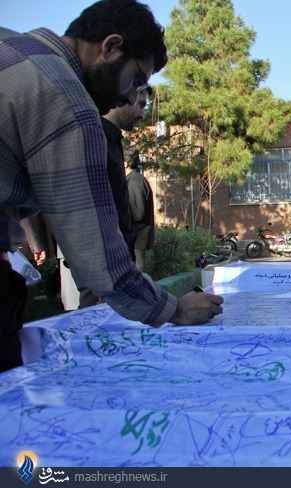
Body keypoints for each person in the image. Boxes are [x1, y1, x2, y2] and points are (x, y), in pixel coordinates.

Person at [0, 0, 223, 372]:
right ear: (111, 46)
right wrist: (174, 309)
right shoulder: (67, 103)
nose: (129, 97)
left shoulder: (12, 46)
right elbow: (98, 257)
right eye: (136, 80)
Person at [72, 85, 152, 309]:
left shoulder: (112, 140)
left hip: (117, 263)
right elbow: (87, 211)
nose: (142, 114)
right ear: (127, 93)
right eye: (140, 105)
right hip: (101, 269)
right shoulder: (95, 140)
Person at [126, 149, 155, 272]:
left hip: (136, 238)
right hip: (137, 238)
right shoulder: (135, 179)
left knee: (137, 272)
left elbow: (138, 213)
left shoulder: (133, 181)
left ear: (125, 163)